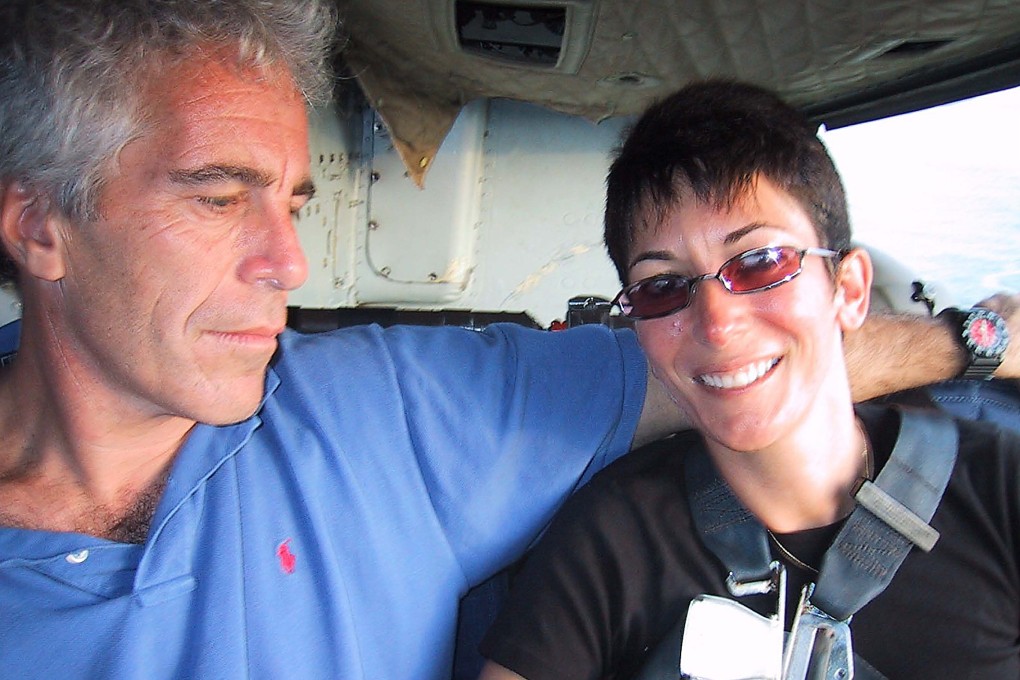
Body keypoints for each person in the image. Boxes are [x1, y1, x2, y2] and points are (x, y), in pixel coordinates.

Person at [0, 3, 1014, 678]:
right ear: (41, 224)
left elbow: (733, 365)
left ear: (846, 280)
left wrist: (975, 342)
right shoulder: (617, 546)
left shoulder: (386, 408)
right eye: (220, 196)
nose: (289, 263)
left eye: (294, 206)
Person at [477, 81, 1020, 679]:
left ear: (849, 290)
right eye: (662, 286)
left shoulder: (1000, 487)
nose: (716, 324)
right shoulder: (608, 541)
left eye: (761, 262)